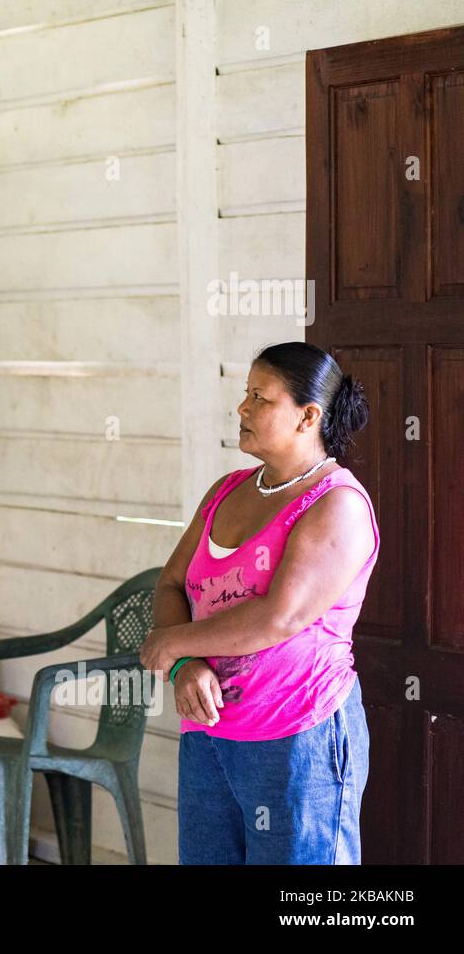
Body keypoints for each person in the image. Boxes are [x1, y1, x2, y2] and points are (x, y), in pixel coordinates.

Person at [140, 341, 379, 864]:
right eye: (245, 394)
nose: (242, 408)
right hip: (209, 731)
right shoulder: (226, 490)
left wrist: (170, 641)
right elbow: (172, 585)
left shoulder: (336, 503)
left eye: (260, 398)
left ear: (308, 416)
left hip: (297, 738)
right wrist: (183, 664)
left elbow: (282, 617)